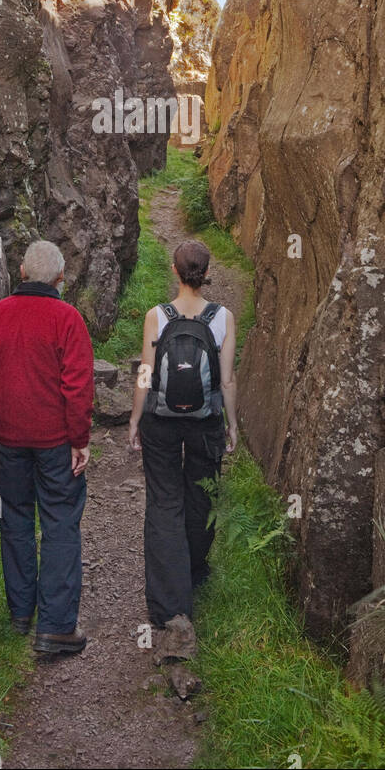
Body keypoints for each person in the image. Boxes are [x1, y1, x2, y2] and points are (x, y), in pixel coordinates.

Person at [0, 239, 94, 656]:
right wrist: (80, 440)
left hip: (9, 441)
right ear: (60, 280)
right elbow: (78, 387)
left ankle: (21, 614)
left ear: (20, 273)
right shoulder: (68, 320)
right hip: (55, 443)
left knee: (15, 520)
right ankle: (54, 628)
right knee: (59, 524)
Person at [128, 239, 238, 628]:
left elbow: (145, 372)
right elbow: (225, 380)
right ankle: (192, 571)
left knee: (163, 502)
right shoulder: (223, 317)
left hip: (161, 419)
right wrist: (232, 424)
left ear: (174, 271)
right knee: (201, 495)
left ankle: (169, 606)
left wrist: (135, 417)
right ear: (207, 274)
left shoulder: (157, 316)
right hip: (205, 420)